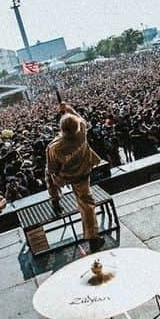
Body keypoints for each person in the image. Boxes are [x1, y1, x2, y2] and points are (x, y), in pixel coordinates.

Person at [46, 100, 104, 253]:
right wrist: (67, 108)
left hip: (65, 177)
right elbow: (79, 118)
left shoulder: (54, 147)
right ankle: (93, 237)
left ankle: (55, 199)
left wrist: (57, 179)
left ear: (61, 129)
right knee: (87, 205)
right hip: (83, 173)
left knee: (47, 175)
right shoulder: (82, 132)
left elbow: (52, 169)